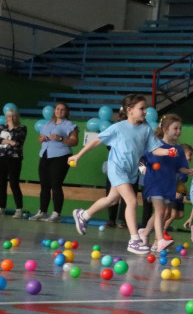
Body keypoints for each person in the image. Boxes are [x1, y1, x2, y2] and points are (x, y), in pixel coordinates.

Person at [69, 94, 175, 254]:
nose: (145, 111)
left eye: (145, 108)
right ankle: (134, 240)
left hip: (130, 171)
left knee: (111, 200)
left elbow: (154, 148)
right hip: (116, 168)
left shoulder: (146, 129)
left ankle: (83, 215)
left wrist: (168, 152)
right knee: (131, 201)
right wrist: (78, 155)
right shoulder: (118, 128)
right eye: (141, 108)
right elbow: (96, 141)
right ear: (129, 110)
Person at [138, 115, 192, 247]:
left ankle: (144, 234)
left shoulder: (178, 150)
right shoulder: (155, 145)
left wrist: (187, 171)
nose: (179, 131)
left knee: (165, 212)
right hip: (154, 182)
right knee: (161, 211)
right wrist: (142, 169)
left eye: (180, 128)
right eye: (175, 128)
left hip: (168, 185)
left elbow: (179, 167)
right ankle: (160, 240)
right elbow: (140, 158)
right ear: (166, 129)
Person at [30, 101, 78, 222]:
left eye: (62, 109)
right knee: (44, 185)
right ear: (54, 111)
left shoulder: (70, 125)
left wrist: (60, 138)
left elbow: (74, 141)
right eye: (57, 109)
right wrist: (41, 139)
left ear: (66, 111)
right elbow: (40, 138)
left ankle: (56, 213)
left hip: (61, 156)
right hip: (45, 155)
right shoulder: (47, 124)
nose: (59, 111)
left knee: (56, 185)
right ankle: (42, 211)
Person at [0, 106, 27, 217]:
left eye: (13, 116)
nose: (11, 118)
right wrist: (9, 141)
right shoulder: (2, 127)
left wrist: (7, 140)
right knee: (1, 183)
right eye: (9, 116)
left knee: (14, 183)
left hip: (14, 158)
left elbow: (18, 142)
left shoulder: (22, 128)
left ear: (17, 117)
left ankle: (19, 209)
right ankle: (1, 207)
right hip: (1, 157)